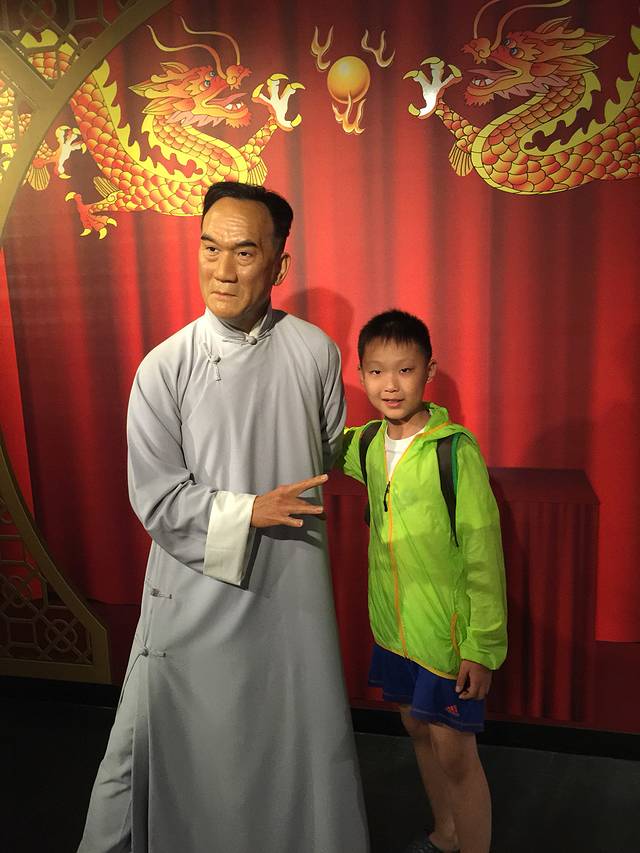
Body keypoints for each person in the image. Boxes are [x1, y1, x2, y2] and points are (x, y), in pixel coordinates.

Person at [78, 182, 370, 853]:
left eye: (243, 252)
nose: (223, 270)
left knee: (291, 743)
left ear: (279, 264)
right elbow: (157, 497)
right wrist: (250, 509)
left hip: (291, 590)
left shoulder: (316, 352)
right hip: (197, 592)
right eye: (210, 249)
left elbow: (325, 447)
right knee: (175, 750)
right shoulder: (165, 367)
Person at [338, 310, 507, 853]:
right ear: (361, 375)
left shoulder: (454, 450)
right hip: (393, 632)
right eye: (377, 371)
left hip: (446, 638)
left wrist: (481, 647)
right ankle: (446, 833)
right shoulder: (365, 443)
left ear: (428, 371)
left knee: (456, 754)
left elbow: (484, 555)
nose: (390, 385)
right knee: (416, 731)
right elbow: (309, 440)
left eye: (405, 370)